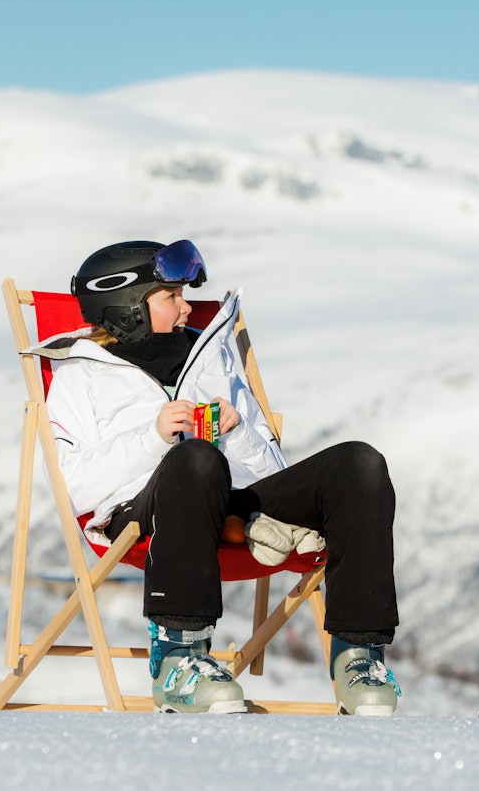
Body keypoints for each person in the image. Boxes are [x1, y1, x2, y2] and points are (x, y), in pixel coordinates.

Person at [32, 239, 401, 715]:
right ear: (126, 307)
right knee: (195, 460)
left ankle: (358, 654)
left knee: (360, 464)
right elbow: (72, 484)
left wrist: (239, 430)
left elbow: (271, 468)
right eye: (172, 297)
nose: (188, 308)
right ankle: (180, 659)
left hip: (235, 497)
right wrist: (154, 436)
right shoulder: (79, 375)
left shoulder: (210, 354)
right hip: (142, 517)